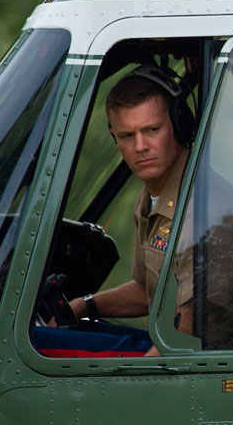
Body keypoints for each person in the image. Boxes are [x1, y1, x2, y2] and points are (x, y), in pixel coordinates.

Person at [66, 66, 196, 356]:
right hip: (167, 345)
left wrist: (137, 384)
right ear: (114, 138)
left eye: (152, 130)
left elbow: (191, 320)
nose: (140, 147)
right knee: (47, 338)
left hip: (191, 361)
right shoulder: (149, 197)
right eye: (127, 135)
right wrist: (83, 305)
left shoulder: (199, 205)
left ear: (177, 125)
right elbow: (145, 289)